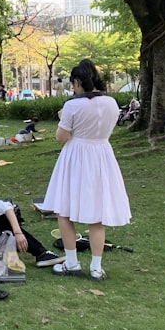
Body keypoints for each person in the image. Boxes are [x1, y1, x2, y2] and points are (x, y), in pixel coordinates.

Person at [40, 59, 131, 281]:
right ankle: (96, 268)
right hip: (101, 155)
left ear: (79, 82)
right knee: (96, 215)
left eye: (73, 83)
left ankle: (71, 263)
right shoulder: (111, 103)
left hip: (76, 156)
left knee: (64, 210)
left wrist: (63, 117)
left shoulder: (73, 105)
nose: (73, 88)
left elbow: (61, 137)